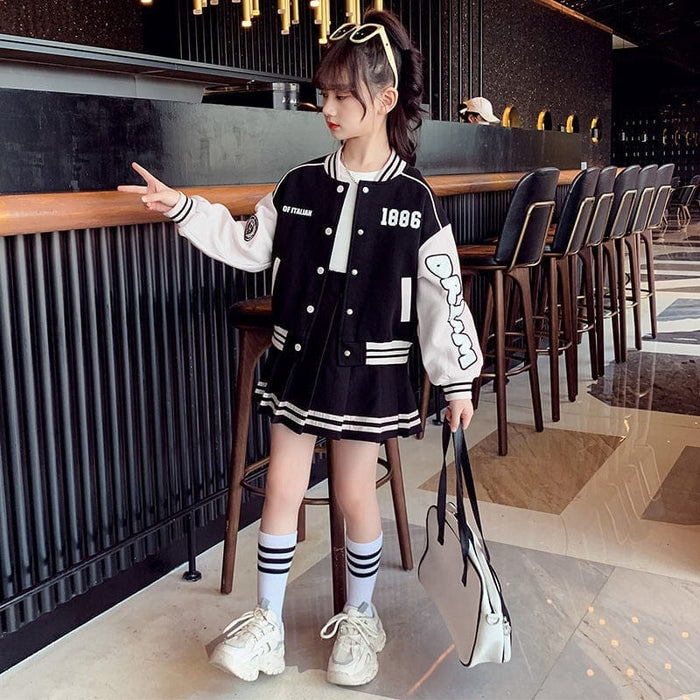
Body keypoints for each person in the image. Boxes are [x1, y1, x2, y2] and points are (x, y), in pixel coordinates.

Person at [119, 8, 482, 689]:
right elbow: (249, 245)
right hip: (298, 362)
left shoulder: (415, 200)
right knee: (283, 486)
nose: (328, 109)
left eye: (343, 95)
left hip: (369, 371)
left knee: (354, 493)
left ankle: (361, 618)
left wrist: (457, 380)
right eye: (324, 94)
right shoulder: (299, 184)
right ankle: (266, 621)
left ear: (385, 99)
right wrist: (184, 209)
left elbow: (443, 295)